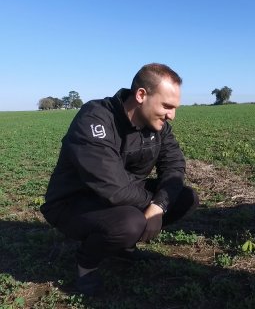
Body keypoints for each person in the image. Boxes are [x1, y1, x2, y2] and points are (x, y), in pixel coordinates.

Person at [40, 63, 199, 295]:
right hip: (73, 203)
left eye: (175, 108)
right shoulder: (96, 119)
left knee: (186, 198)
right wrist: (153, 208)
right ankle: (86, 265)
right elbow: (113, 188)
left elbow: (174, 166)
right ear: (141, 95)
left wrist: (159, 206)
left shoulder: (158, 126)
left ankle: (123, 246)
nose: (172, 115)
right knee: (130, 222)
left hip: (123, 197)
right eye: (167, 106)